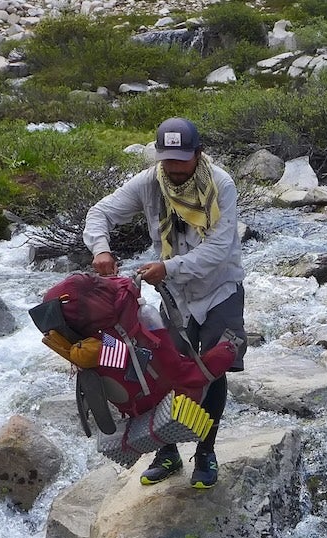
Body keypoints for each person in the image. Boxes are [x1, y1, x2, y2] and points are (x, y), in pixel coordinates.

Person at [84, 116, 246, 489]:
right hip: (174, 297)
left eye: (181, 160)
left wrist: (167, 268)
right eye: (167, 159)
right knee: (164, 370)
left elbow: (220, 250)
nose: (173, 168)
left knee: (212, 370)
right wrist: (102, 248)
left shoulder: (221, 184)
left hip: (220, 289)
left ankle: (206, 450)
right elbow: (100, 213)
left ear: (198, 154)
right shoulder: (150, 183)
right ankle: (167, 449)